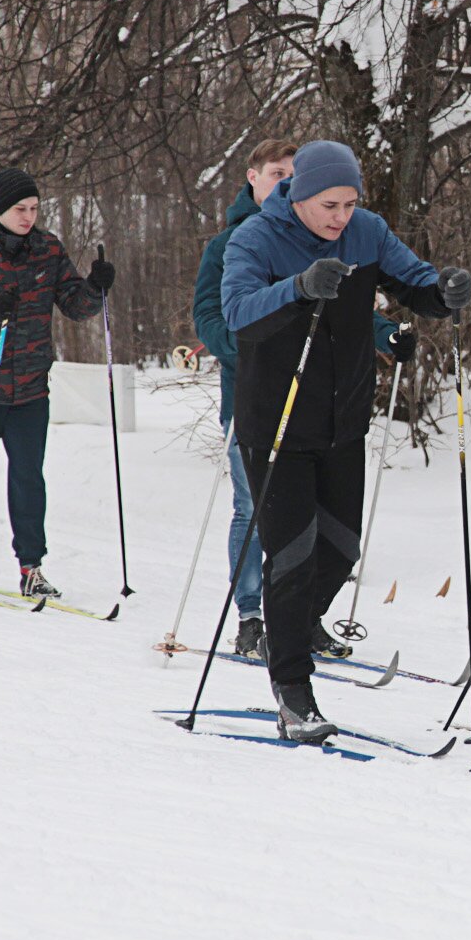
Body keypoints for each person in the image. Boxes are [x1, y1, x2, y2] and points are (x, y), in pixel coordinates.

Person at [220, 140, 471, 742]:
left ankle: (294, 628)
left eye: (350, 203)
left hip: (342, 423)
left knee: (340, 549)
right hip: (276, 423)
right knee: (293, 558)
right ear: (299, 196)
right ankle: (294, 693)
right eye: (330, 204)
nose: (341, 216)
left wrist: (444, 291)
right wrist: (301, 286)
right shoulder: (257, 239)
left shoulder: (367, 232)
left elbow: (415, 281)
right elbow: (236, 314)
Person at [192, 138, 404, 660]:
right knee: (254, 507)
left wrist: (383, 334)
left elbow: (338, 311)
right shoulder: (234, 241)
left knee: (317, 529)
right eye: (275, 172)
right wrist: (259, 353)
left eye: (292, 172)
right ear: (253, 178)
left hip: (318, 403)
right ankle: (251, 616)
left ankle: (299, 619)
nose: (283, 181)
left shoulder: (326, 234)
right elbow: (213, 317)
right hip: (259, 396)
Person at [0, 168, 113, 599]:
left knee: (28, 477)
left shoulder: (48, 248)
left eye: (34, 209)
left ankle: (31, 566)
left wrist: (95, 287)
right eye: (21, 209)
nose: (28, 217)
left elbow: (75, 306)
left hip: (30, 388)